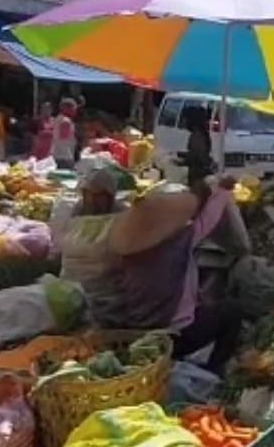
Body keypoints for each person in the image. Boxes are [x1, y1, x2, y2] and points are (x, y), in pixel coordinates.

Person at [68, 169, 245, 372]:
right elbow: (210, 217)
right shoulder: (178, 240)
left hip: (123, 335)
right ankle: (215, 370)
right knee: (232, 310)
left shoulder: (117, 246)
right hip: (166, 339)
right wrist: (221, 190)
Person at [184, 104, 214, 187]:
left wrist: (183, 161)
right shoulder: (202, 134)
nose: (184, 121)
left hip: (197, 176)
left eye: (186, 119)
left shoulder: (197, 136)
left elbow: (198, 156)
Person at [51, 99, 79, 169]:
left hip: (56, 153)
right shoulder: (66, 121)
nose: (75, 111)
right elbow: (64, 138)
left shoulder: (57, 119)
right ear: (66, 108)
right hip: (65, 155)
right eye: (74, 108)